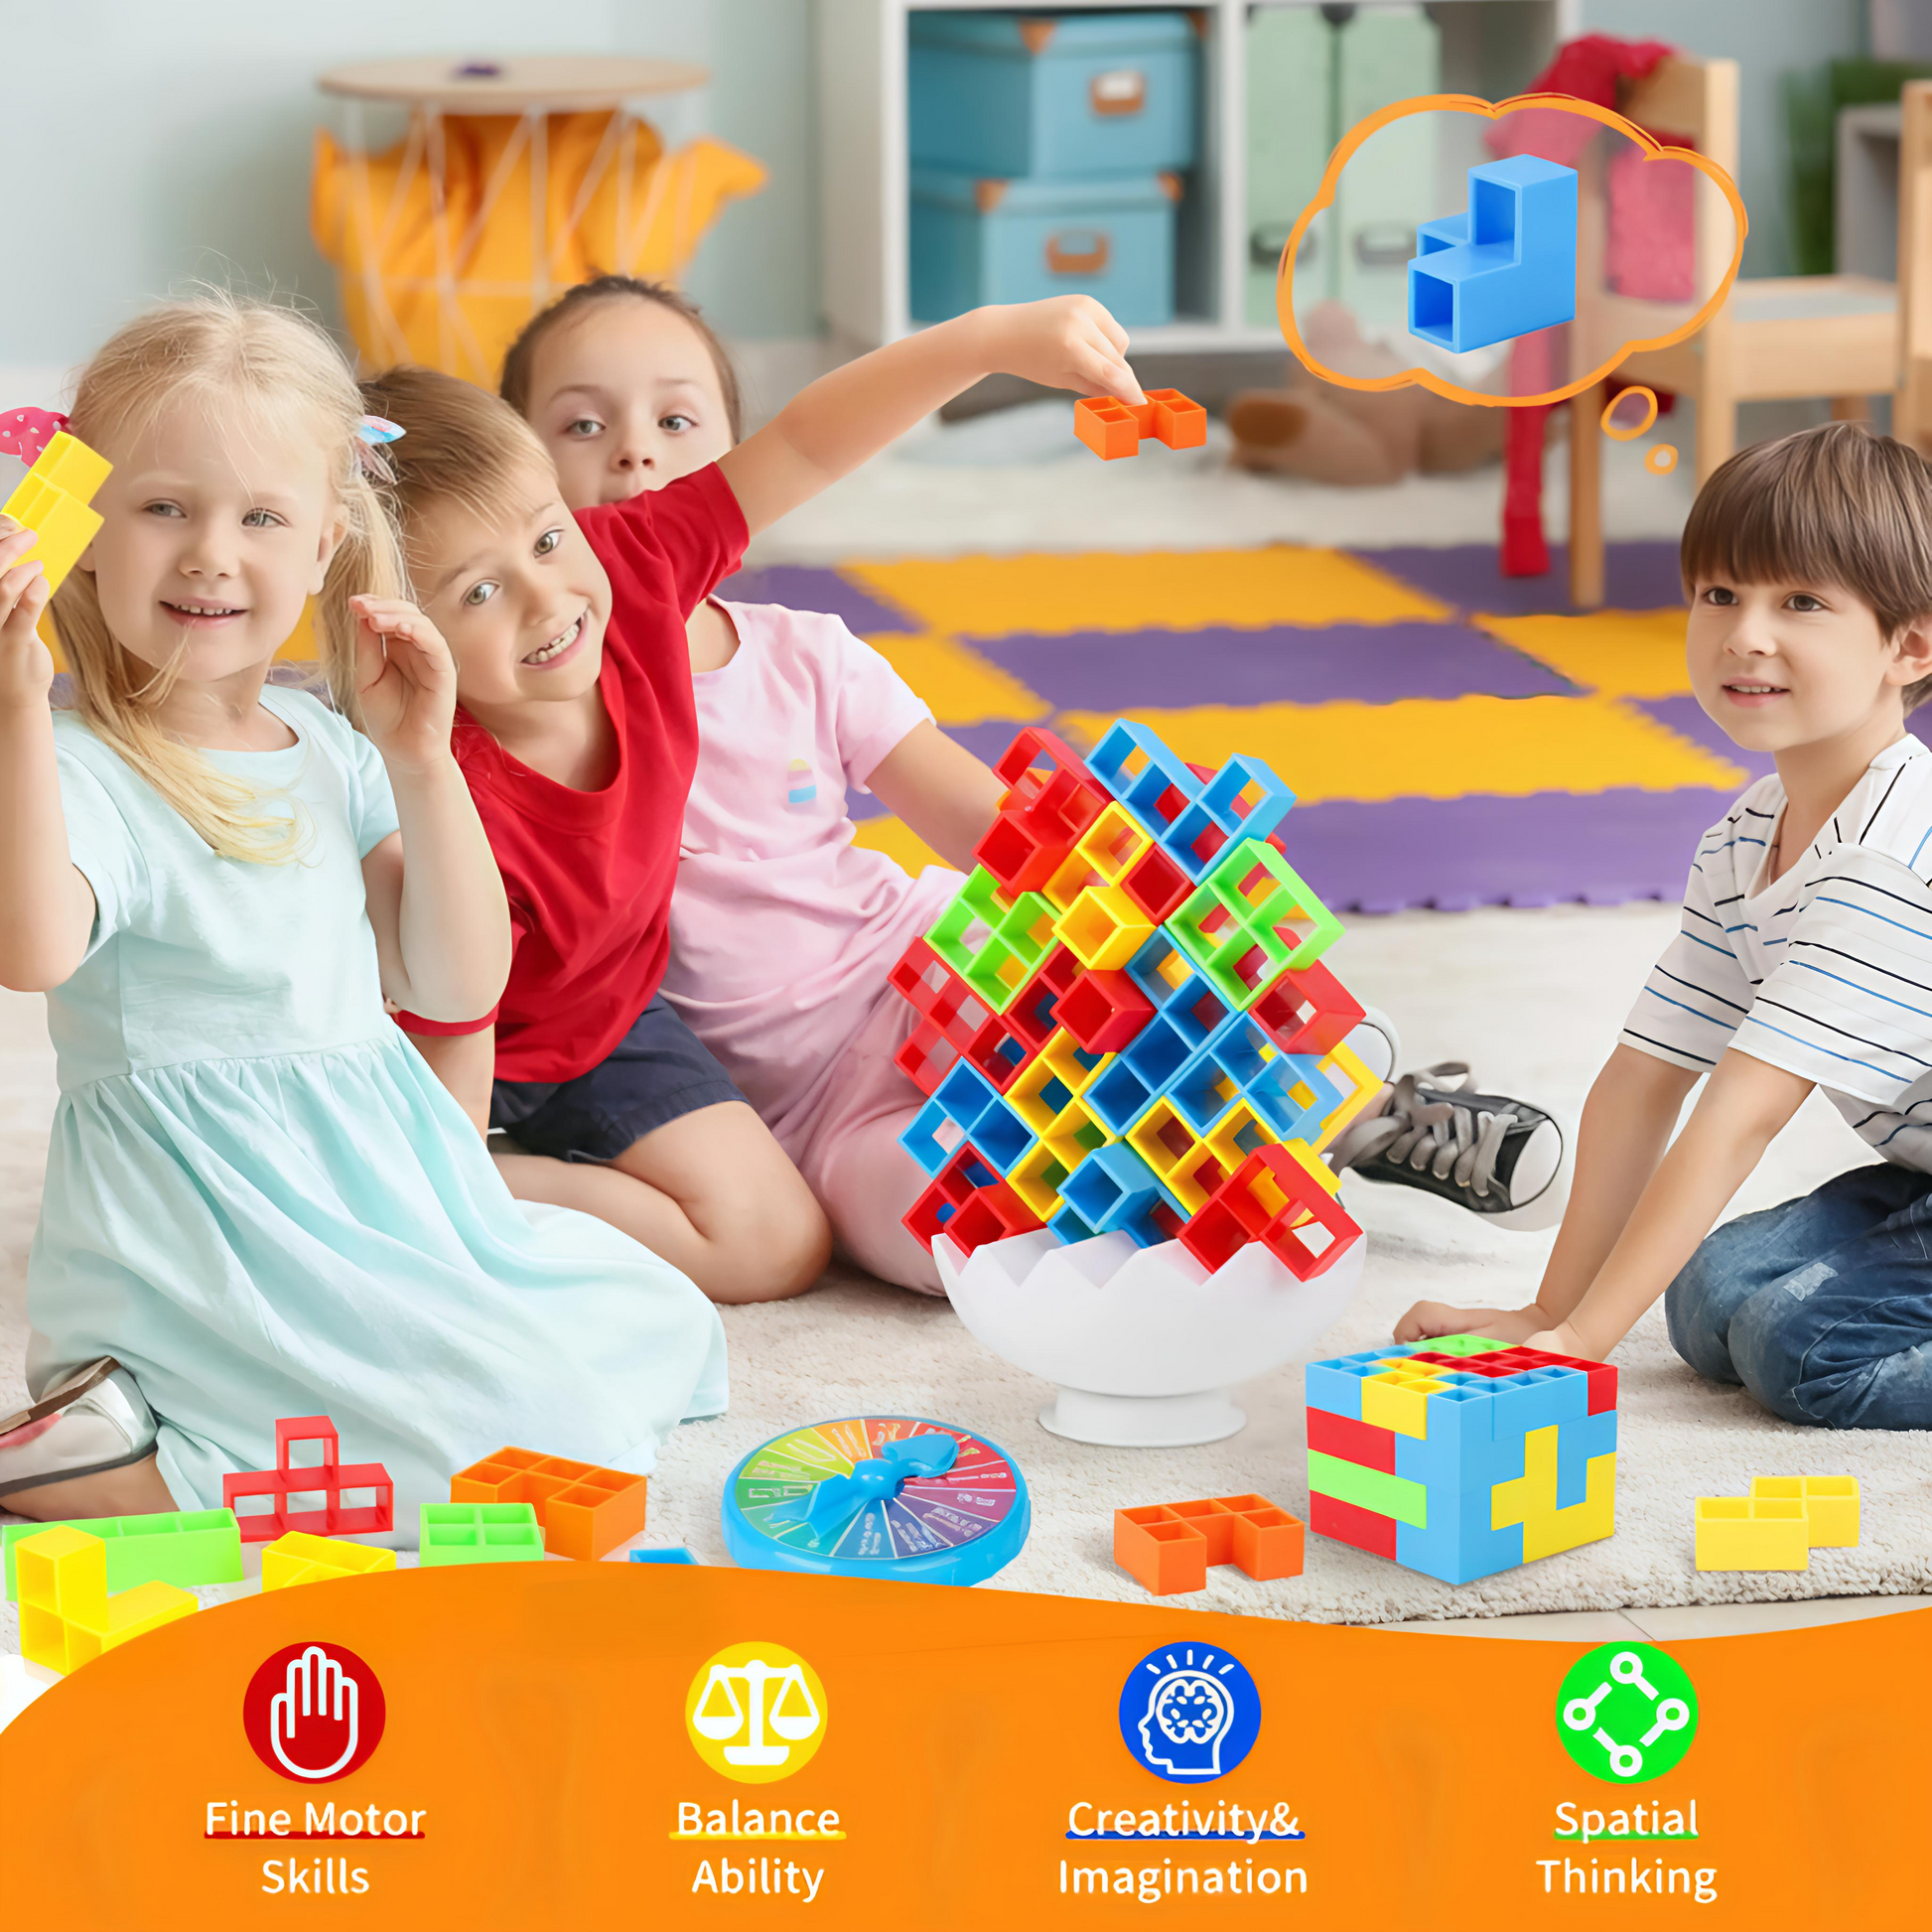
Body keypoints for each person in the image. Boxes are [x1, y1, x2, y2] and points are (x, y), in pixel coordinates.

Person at [481, 275, 1568, 1288]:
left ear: (730, 459)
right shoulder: (500, 716)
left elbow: (987, 828)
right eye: (583, 425)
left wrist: (1166, 911)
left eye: (675, 423)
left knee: (1137, 983)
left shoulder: (806, 654)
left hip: (930, 969)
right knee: (964, 1249)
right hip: (806, 1113)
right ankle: (1206, 1167)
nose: (633, 457)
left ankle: (1355, 1103)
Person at [0, 297, 725, 1520]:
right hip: (207, 1219)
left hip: (370, 1179)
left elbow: (454, 983)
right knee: (479, 1446)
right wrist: (17, 710)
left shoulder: (336, 745)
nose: (210, 554)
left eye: (261, 516)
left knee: (638, 1321)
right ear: (82, 535)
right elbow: (32, 951)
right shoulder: (83, 760)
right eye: (164, 506)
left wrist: (423, 760)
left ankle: (150, 1425)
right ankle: (102, 1451)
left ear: (328, 539)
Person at [1399, 422, 1932, 1429]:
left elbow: (1741, 1110)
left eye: (1800, 603)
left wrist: (1578, 1348)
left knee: (1793, 1349)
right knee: (1703, 1298)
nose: (1744, 635)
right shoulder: (1741, 842)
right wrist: (1553, 1310)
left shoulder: (1888, 857)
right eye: (1719, 594)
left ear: (1906, 646)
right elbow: (1645, 1072)